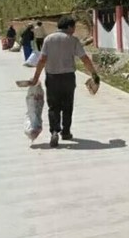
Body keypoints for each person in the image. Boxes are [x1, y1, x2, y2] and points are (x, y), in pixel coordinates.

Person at [28, 15, 100, 148]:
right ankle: (66, 132)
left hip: (52, 77)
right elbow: (84, 58)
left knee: (53, 106)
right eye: (73, 27)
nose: (74, 30)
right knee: (67, 105)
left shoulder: (48, 39)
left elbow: (42, 59)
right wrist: (93, 73)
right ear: (69, 27)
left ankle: (54, 132)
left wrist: (36, 77)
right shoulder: (73, 40)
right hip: (68, 77)